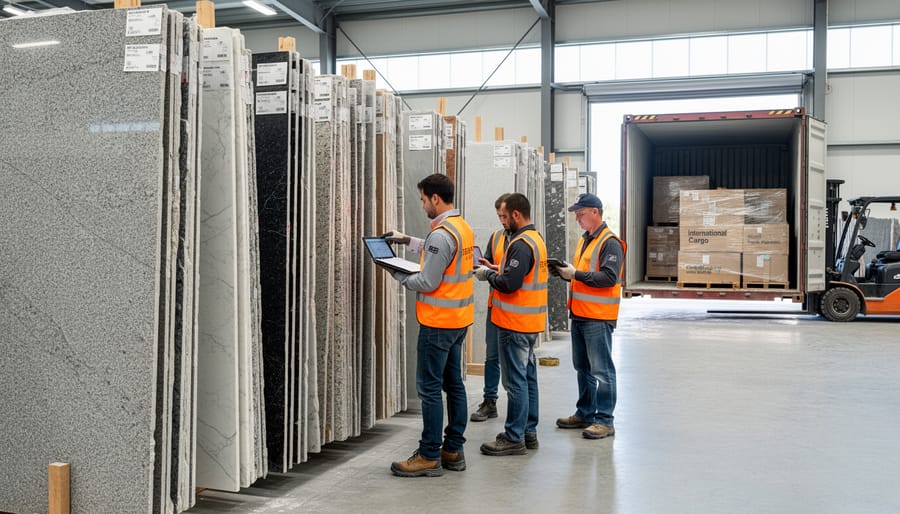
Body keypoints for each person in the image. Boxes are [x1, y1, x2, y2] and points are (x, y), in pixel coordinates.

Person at [382, 173, 475, 477]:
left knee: (430, 389)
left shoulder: (441, 234)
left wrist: (395, 271)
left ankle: (429, 454)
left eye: (423, 200)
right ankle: (453, 450)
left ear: (435, 198)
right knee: (454, 385)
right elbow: (439, 252)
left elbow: (427, 280)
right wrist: (406, 240)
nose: (422, 206)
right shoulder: (461, 227)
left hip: (437, 324)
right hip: (458, 321)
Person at [473, 193, 548, 455]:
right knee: (527, 379)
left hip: (514, 323)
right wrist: (497, 269)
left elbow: (510, 283)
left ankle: (514, 437)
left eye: (505, 216)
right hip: (528, 322)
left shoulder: (521, 244)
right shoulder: (535, 239)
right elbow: (519, 275)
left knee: (515, 382)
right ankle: (528, 433)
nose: (503, 221)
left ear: (516, 214)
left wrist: (488, 275)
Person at [549, 192, 626, 440]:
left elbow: (608, 277)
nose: (578, 219)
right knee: (582, 368)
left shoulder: (610, 242)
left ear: (595, 212)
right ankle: (585, 413)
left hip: (598, 317)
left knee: (602, 370)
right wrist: (565, 273)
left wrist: (575, 275)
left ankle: (605, 421)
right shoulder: (586, 240)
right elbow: (584, 275)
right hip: (581, 315)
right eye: (576, 215)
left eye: (580, 214)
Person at [470, 193, 511, 423]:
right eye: (499, 216)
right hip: (495, 306)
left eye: (505, 216)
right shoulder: (496, 237)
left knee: (515, 362)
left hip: (516, 311)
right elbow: (490, 264)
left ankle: (518, 409)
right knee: (492, 356)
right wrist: (484, 269)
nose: (502, 221)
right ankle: (490, 401)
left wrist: (494, 271)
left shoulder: (525, 241)